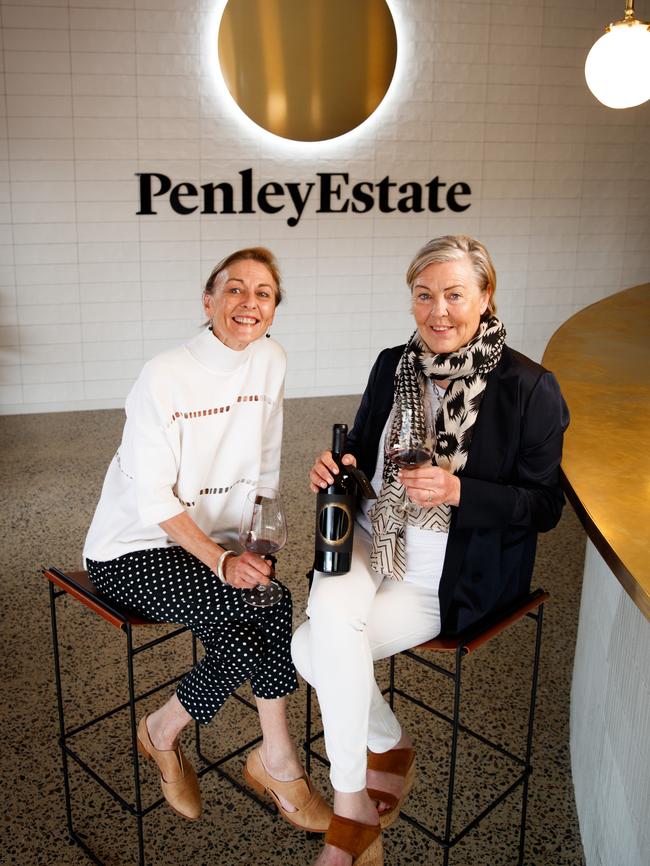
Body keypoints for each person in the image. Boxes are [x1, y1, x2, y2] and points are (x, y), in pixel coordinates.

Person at [291, 234, 569, 866]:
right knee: (327, 631)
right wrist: (337, 466)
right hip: (368, 538)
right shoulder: (394, 363)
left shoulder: (530, 386)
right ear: (411, 300)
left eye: (455, 294)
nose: (438, 311)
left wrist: (457, 490)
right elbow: (362, 445)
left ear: (485, 296)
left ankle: (374, 766)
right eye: (424, 296)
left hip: (444, 574)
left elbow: (545, 507)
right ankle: (353, 803)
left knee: (311, 647)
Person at [83, 247, 331, 832]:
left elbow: (265, 465)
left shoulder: (271, 359)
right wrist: (221, 561)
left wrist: (257, 548)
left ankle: (276, 758)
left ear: (274, 309)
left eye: (263, 293)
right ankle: (166, 732)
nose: (249, 303)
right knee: (247, 624)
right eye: (235, 290)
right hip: (133, 548)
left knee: (271, 601)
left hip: (216, 540)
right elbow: (154, 501)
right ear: (208, 300)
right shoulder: (163, 375)